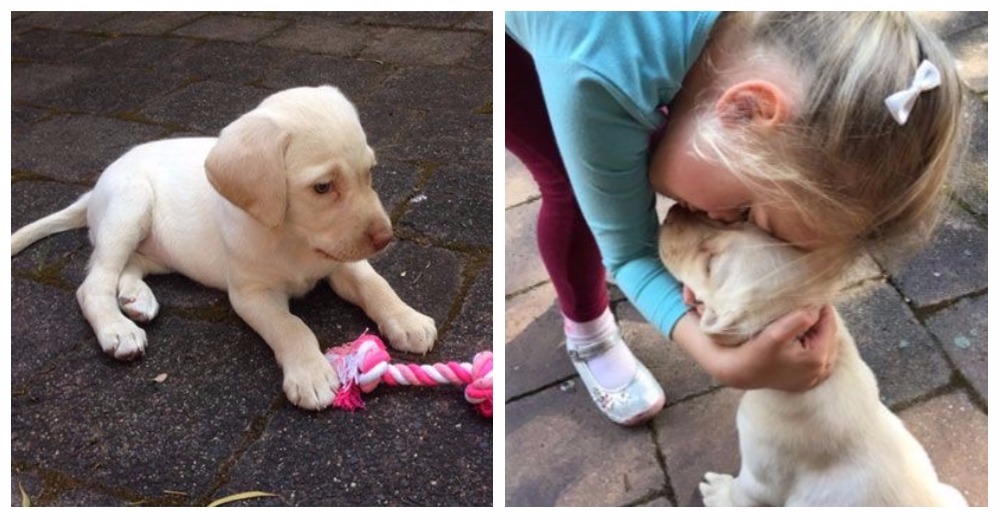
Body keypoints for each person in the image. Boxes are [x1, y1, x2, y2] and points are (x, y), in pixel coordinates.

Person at [505, 12, 966, 425]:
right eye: (746, 214)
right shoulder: (599, 76)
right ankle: (587, 330)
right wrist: (721, 362)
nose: (724, 220)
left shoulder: (771, 44)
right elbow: (627, 252)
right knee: (579, 188)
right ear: (745, 109)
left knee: (663, 148)